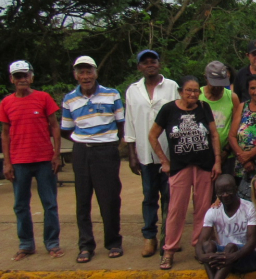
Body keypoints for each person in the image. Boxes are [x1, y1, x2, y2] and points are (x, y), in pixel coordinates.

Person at [149, 75, 222, 269]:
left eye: (196, 91)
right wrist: (164, 161)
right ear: (180, 91)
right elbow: (152, 136)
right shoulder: (169, 109)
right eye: (189, 90)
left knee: (203, 209)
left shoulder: (204, 108)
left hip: (204, 166)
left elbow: (214, 135)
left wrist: (217, 161)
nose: (193, 94)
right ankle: (169, 250)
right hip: (180, 167)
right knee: (176, 210)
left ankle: (199, 246)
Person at [61, 56, 125, 263]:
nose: (85, 76)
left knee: (109, 198)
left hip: (106, 151)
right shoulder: (69, 98)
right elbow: (66, 129)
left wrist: (108, 142)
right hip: (81, 152)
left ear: (96, 73)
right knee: (82, 200)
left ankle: (113, 242)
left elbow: (121, 124)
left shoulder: (112, 94)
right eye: (81, 72)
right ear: (75, 75)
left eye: (89, 71)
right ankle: (86, 245)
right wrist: (84, 139)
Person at [2, 60, 63, 261]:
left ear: (31, 77)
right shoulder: (6, 103)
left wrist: (56, 154)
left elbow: (54, 126)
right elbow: (5, 134)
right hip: (19, 161)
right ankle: (26, 244)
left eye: (25, 75)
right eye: (18, 76)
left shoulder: (43, 98)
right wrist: (7, 163)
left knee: (49, 203)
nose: (22, 79)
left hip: (44, 159)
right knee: (20, 205)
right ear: (12, 79)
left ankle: (52, 243)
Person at [123, 50, 179, 257]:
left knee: (170, 196)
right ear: (139, 67)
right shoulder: (133, 90)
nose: (149, 65)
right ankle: (150, 237)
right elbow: (130, 121)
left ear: (159, 63)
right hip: (145, 153)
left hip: (168, 152)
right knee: (149, 197)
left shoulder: (171, 87)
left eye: (153, 61)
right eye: (145, 62)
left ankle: (169, 238)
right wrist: (131, 153)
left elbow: (180, 115)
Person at [189, 174, 256, 279]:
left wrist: (233, 256)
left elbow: (252, 242)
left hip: (248, 257)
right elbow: (201, 241)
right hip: (226, 260)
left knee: (230, 246)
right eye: (221, 192)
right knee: (209, 246)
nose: (225, 195)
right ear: (217, 194)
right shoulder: (213, 211)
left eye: (229, 191)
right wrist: (204, 256)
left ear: (236, 189)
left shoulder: (249, 208)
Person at [200, 61, 240, 177]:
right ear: (206, 78)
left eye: (221, 84)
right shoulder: (198, 96)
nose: (218, 88)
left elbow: (235, 126)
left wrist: (226, 151)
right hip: (203, 154)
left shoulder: (232, 97)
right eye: (214, 84)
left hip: (227, 155)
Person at [229, 74, 256, 195]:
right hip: (242, 163)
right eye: (252, 88)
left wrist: (250, 155)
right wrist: (243, 158)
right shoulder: (242, 106)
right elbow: (232, 135)